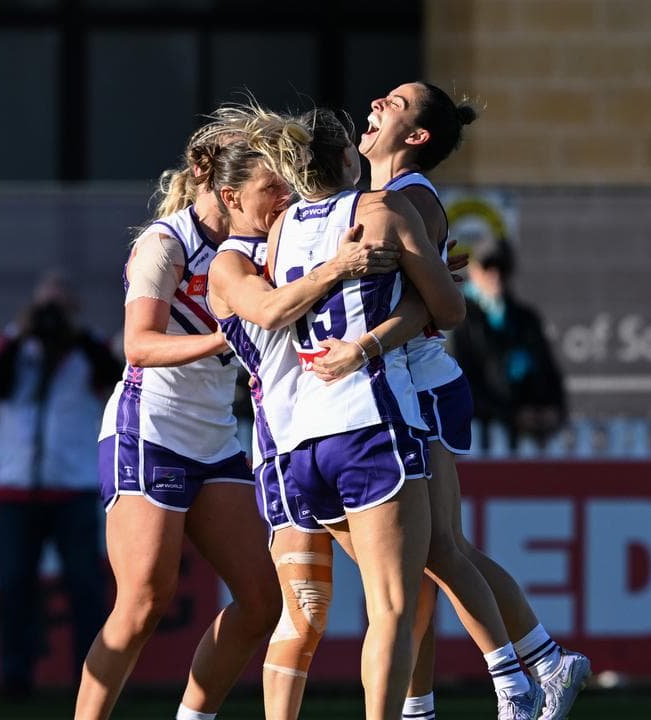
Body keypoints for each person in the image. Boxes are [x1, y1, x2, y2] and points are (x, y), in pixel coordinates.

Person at [263, 107, 509, 720]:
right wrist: (420, 268)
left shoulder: (277, 231)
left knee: (314, 612)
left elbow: (271, 312)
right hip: (368, 421)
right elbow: (450, 313)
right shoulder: (382, 210)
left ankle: (426, 708)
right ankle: (520, 667)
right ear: (348, 157)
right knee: (398, 601)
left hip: (299, 439)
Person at [353, 81, 585, 720]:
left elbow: (436, 307)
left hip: (416, 383)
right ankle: (449, 695)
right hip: (409, 382)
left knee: (435, 552)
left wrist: (365, 344)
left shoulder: (404, 198)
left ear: (418, 137)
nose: (375, 104)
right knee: (428, 559)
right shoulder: (384, 197)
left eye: (393, 104)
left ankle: (530, 671)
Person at [75, 118, 283, 720]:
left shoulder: (261, 247)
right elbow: (137, 345)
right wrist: (225, 340)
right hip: (151, 429)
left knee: (262, 603)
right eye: (271, 185)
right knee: (143, 602)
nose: (282, 200)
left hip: (215, 435)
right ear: (223, 184)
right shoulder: (166, 243)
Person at [199, 106, 400, 720]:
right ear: (232, 198)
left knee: (342, 603)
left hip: (320, 432)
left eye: (286, 183)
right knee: (345, 603)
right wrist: (339, 266)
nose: (282, 197)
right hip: (287, 446)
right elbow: (271, 311)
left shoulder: (286, 240)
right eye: (269, 189)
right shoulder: (231, 264)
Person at [0, 270, 121, 700]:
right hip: (17, 489)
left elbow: (113, 376)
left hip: (73, 486)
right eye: (46, 308)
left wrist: (78, 336)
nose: (52, 318)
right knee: (14, 585)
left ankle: (91, 679)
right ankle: (15, 677)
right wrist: (20, 332)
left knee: (85, 588)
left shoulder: (88, 348)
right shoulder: (17, 348)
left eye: (60, 307)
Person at [450, 234, 567, 451]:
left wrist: (553, 409)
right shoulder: (457, 318)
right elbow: (462, 381)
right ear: (473, 270)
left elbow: (548, 370)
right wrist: (511, 414)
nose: (495, 275)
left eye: (502, 267)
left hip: (527, 442)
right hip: (477, 440)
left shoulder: (526, 318)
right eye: (488, 266)